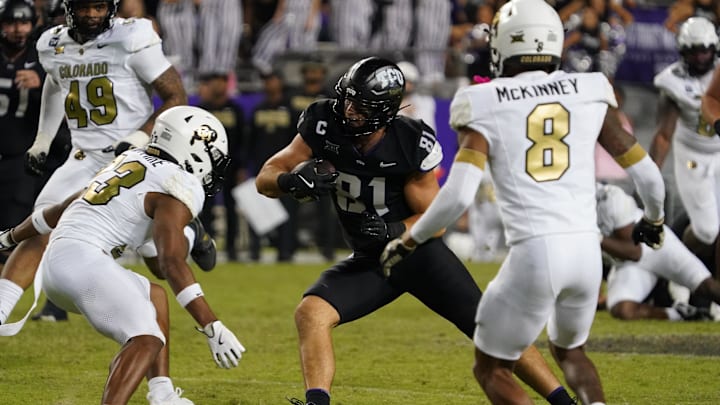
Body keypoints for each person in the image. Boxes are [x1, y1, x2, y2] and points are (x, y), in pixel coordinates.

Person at [380, 1, 666, 404]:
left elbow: (459, 194)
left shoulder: (483, 100)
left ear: (504, 45)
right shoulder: (589, 89)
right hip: (587, 252)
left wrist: (409, 240)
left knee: (491, 367)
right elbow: (648, 174)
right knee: (571, 350)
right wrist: (653, 220)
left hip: (535, 252)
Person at [256, 56, 578, 405]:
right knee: (311, 313)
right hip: (370, 260)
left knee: (491, 328)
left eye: (360, 105)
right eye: (348, 99)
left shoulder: (408, 141)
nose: (349, 110)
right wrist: (290, 181)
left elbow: (435, 220)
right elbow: (266, 176)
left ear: (383, 109)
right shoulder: (323, 122)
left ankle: (563, 401)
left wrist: (391, 229)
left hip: (418, 254)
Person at [0, 106, 245, 404]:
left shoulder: (129, 159)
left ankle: (163, 393)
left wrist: (9, 236)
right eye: (213, 156)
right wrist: (212, 325)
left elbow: (61, 208)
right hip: (84, 264)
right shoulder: (178, 183)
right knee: (145, 339)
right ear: (191, 147)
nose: (214, 165)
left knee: (154, 296)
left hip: (58, 263)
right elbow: (170, 262)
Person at [0, 0, 206, 324]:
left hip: (135, 159)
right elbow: (55, 83)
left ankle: (190, 234)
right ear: (68, 8)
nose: (93, 15)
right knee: (41, 224)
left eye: (99, 7)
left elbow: (176, 96)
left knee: (161, 264)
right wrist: (42, 141)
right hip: (83, 155)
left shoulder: (132, 37)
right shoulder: (52, 44)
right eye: (85, 7)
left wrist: (138, 138)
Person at [650, 17, 719, 273]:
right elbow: (663, 135)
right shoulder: (672, 81)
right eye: (693, 51)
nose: (700, 57)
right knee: (707, 231)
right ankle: (675, 270)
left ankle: (710, 292)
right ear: (682, 52)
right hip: (693, 153)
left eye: (705, 50)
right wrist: (651, 173)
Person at [596, 182, 720, 321]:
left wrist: (595, 237)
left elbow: (635, 251)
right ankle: (681, 314)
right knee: (624, 309)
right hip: (626, 263)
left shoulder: (610, 197)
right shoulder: (571, 208)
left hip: (656, 246)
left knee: (708, 287)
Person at [248, 71, 300, 262]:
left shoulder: (291, 109)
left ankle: (285, 251)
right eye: (266, 80)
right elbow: (250, 140)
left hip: (286, 169)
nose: (269, 83)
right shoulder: (258, 109)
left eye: (272, 79)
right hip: (262, 169)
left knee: (288, 213)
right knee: (257, 212)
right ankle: (255, 251)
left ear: (280, 81)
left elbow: (297, 140)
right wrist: (247, 166)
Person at [196, 73, 246, 262]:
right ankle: (206, 247)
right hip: (206, 166)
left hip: (230, 166)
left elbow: (242, 140)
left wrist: (241, 166)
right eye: (214, 82)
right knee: (205, 207)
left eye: (222, 82)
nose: (219, 86)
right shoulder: (202, 110)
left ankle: (232, 248)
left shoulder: (235, 109)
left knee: (231, 207)